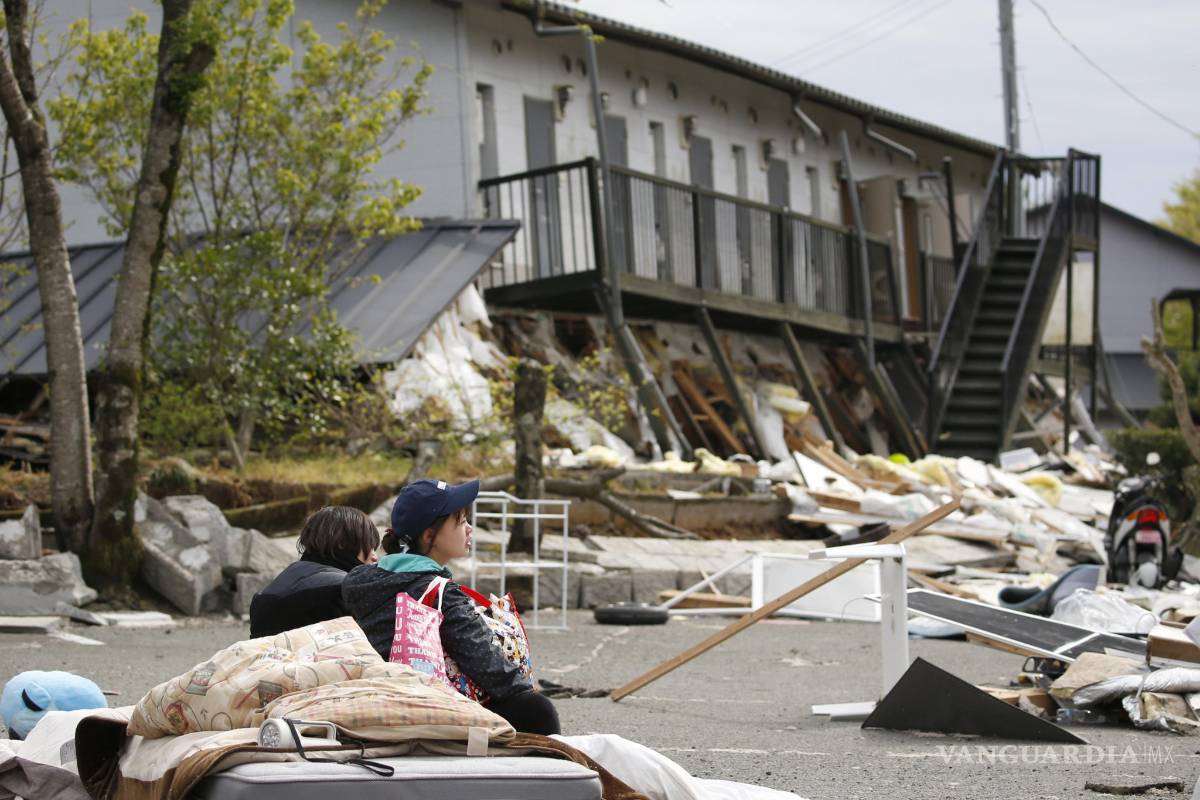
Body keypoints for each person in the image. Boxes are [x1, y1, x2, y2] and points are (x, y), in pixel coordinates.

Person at [342, 478, 561, 736]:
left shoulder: (357, 580)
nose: (469, 529)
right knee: (537, 709)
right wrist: (525, 689)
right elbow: (489, 666)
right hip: (429, 706)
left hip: (374, 695)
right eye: (461, 521)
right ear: (428, 535)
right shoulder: (440, 594)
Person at [248, 505, 380, 638]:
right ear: (342, 543)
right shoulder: (344, 590)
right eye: (370, 546)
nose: (375, 556)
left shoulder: (271, 590)